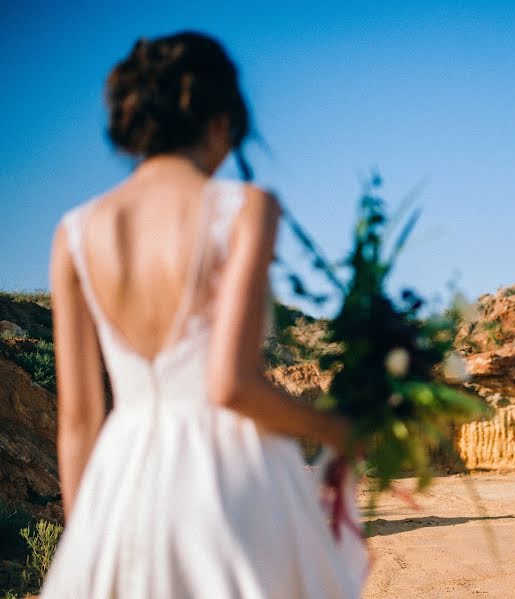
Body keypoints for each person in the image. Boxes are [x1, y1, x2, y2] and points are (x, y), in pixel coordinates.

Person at [42, 31, 367, 598]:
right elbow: (229, 384)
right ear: (220, 120)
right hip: (226, 481)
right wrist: (333, 428)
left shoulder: (73, 232)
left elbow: (77, 420)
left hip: (119, 484)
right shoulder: (244, 208)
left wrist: (90, 537)